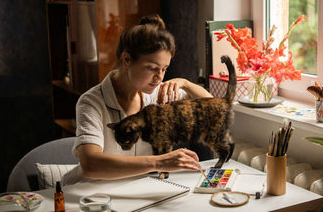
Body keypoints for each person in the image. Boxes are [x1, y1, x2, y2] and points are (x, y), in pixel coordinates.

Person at [63, 14, 213, 184]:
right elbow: (91, 165)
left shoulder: (158, 93)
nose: (159, 77)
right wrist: (160, 162)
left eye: (164, 69)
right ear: (127, 59)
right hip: (88, 194)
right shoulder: (91, 102)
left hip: (135, 190)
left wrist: (185, 83)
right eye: (152, 68)